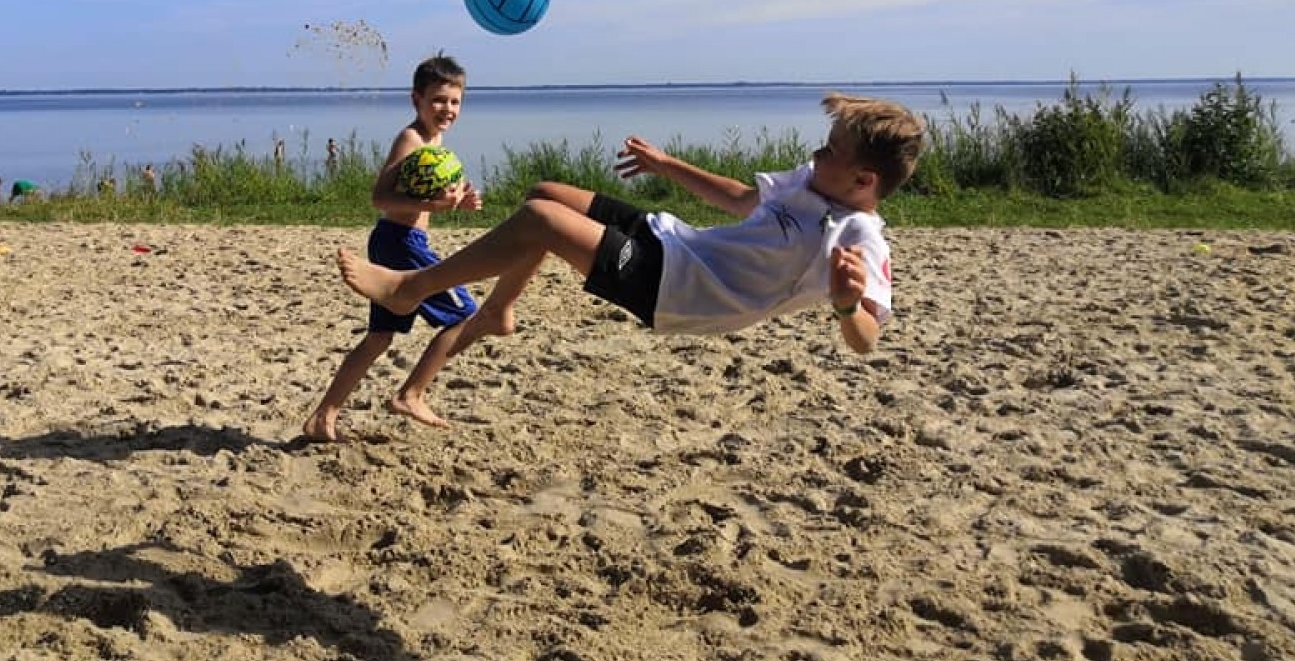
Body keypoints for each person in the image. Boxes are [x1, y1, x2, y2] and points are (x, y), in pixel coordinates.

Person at [337, 92, 925, 359]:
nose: (818, 153)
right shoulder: (810, 181)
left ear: (864, 181)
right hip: (676, 242)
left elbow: (867, 340)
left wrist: (848, 306)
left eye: (833, 149)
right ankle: (498, 312)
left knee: (541, 221)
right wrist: (666, 165)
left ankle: (412, 286)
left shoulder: (857, 237)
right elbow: (742, 199)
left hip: (683, 291)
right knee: (544, 192)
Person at [302, 55, 486, 442]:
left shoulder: (437, 141)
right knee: (465, 316)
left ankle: (323, 417)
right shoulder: (411, 139)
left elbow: (427, 194)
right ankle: (410, 394)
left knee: (379, 337)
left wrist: (459, 202)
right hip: (401, 244)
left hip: (401, 242)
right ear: (416, 99)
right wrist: (432, 206)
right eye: (438, 100)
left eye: (455, 101)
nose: (447, 109)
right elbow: (381, 198)